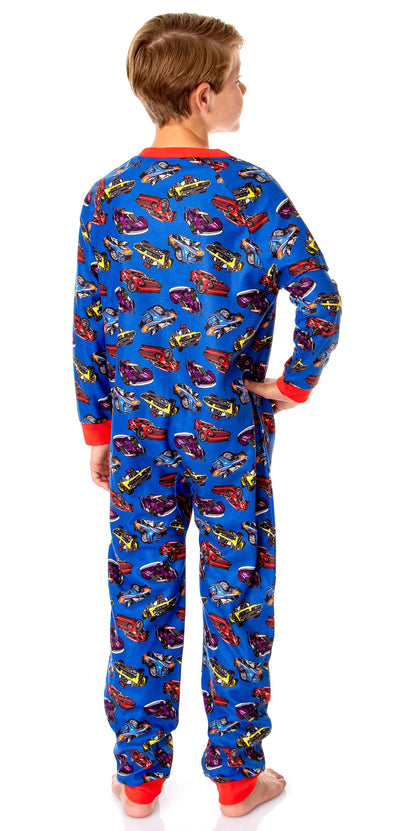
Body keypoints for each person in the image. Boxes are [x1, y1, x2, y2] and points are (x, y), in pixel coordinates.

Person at [73, 12, 341, 819]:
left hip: (138, 436)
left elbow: (90, 322)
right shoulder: (252, 192)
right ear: (202, 96)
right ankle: (235, 778)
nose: (244, 91)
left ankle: (139, 781)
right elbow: (320, 299)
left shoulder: (107, 197)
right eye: (235, 81)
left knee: (140, 597)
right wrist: (291, 386)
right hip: (228, 433)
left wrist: (97, 428)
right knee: (238, 595)